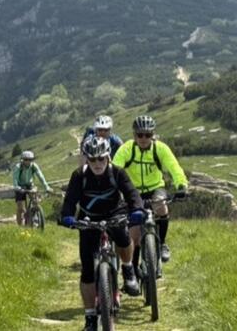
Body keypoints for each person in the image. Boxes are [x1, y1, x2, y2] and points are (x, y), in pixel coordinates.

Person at [60, 135, 145, 331]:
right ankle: (90, 319)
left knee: (124, 239)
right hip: (89, 219)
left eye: (101, 158)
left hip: (115, 213)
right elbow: (70, 202)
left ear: (108, 157)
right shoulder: (78, 176)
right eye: (92, 159)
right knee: (88, 271)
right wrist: (67, 217)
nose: (97, 163)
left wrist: (137, 210)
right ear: (87, 159)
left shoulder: (117, 172)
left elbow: (132, 194)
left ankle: (128, 268)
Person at [112, 115, 188, 269]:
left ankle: (163, 244)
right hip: (133, 192)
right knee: (133, 235)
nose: (144, 138)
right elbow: (114, 170)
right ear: (134, 135)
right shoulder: (127, 149)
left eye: (148, 135)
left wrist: (181, 185)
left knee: (161, 206)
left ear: (153, 135)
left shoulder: (160, 149)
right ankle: (131, 271)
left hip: (155, 188)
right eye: (140, 134)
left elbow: (174, 167)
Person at [12, 150, 53, 225]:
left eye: (30, 159)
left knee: (35, 201)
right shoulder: (18, 167)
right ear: (22, 160)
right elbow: (15, 179)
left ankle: (35, 216)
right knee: (20, 208)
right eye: (26, 159)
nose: (28, 161)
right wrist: (17, 187)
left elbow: (41, 176)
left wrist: (47, 187)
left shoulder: (34, 166)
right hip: (20, 186)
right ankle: (20, 226)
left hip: (29, 184)